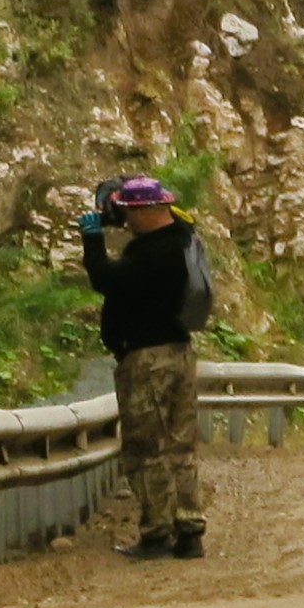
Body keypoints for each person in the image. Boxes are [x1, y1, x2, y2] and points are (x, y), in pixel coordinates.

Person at [79, 173, 214, 560]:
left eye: (130, 210)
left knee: (146, 447)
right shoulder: (183, 240)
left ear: (151, 210)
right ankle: (189, 531)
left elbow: (105, 278)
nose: (125, 219)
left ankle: (157, 532)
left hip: (149, 361)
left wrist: (93, 240)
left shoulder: (155, 252)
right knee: (180, 446)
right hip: (179, 355)